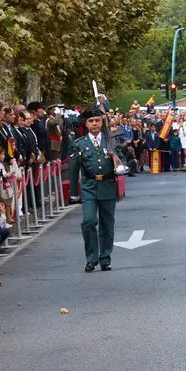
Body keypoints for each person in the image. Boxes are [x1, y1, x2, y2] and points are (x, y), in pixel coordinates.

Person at [69, 108, 126, 272]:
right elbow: (74, 169)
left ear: (102, 122)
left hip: (108, 186)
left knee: (107, 223)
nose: (94, 124)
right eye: (91, 121)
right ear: (86, 124)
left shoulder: (110, 141)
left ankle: (105, 258)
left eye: (97, 120)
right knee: (88, 221)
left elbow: (121, 160)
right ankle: (91, 258)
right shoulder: (80, 143)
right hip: (89, 187)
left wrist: (120, 165)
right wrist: (74, 193)